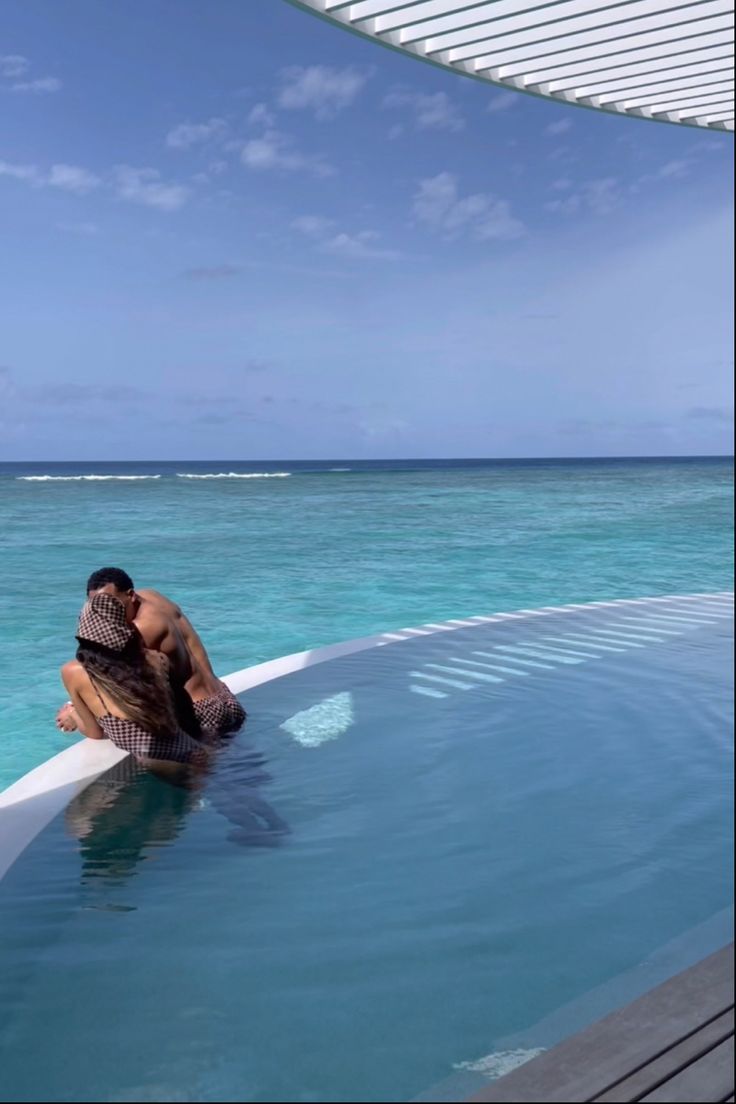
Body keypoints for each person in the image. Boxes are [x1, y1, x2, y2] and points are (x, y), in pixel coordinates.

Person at [57, 567, 245, 737]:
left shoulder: (143, 628)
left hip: (201, 713)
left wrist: (75, 712)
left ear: (130, 596)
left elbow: (98, 674)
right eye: (96, 606)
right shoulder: (153, 597)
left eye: (112, 604)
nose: (105, 613)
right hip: (223, 695)